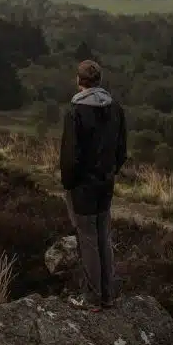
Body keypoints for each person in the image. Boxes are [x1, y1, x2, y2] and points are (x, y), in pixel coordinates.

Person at [59, 59, 127, 311]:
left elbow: (70, 156)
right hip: (106, 184)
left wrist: (69, 184)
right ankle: (108, 296)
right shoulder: (116, 108)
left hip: (82, 188)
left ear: (79, 81)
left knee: (87, 240)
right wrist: (110, 172)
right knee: (103, 238)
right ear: (99, 81)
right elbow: (122, 150)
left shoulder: (74, 112)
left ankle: (92, 298)